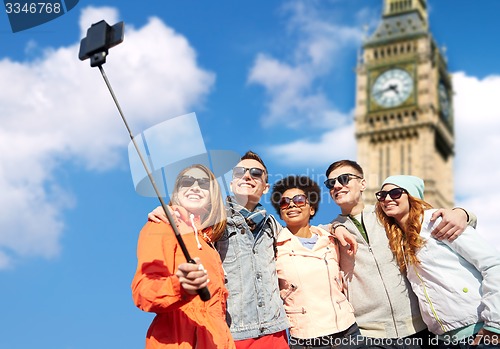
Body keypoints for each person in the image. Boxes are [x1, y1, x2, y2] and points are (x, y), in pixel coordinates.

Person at [322, 159, 477, 348]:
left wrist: (464, 213)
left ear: (362, 184)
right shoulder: (327, 233)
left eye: (344, 179)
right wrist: (334, 226)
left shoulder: (389, 214)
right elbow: (307, 234)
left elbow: (428, 216)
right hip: (369, 334)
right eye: (331, 183)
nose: (337, 185)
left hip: (419, 329)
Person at [148, 151, 289, 349]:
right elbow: (190, 219)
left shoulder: (273, 226)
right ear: (231, 184)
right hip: (233, 333)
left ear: (265, 188)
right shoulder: (214, 220)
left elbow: (304, 238)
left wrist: (337, 226)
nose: (247, 176)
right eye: (240, 172)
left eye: (256, 173)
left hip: (275, 333)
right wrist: (172, 210)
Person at [375, 175, 500, 348]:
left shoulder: (437, 221)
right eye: (382, 195)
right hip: (442, 340)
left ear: (411, 196)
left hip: (478, 330)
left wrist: (495, 324)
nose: (387, 198)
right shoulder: (397, 240)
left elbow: (493, 264)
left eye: (395, 193)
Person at [131, 164, 236, 349]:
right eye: (187, 182)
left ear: (212, 195)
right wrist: (181, 286)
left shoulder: (209, 245)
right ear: (176, 193)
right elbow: (144, 291)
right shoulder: (161, 226)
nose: (195, 186)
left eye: (203, 183)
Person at [270, 175, 362, 349]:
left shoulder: (331, 239)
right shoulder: (273, 247)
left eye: (299, 200)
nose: (291, 204)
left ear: (311, 209)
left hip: (347, 331)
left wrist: (336, 226)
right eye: (284, 202)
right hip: (306, 338)